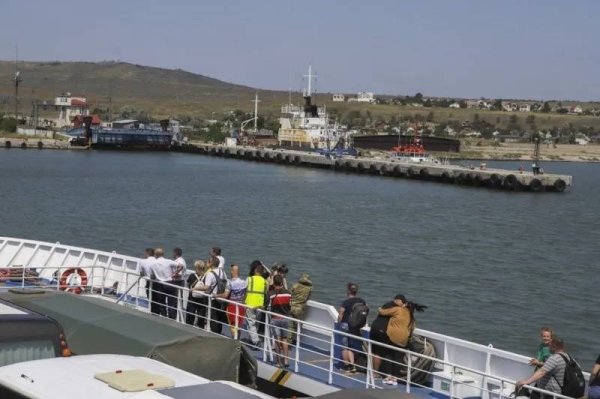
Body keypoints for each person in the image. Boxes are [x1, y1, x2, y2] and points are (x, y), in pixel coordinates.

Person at [375, 295, 427, 386]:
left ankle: (388, 376)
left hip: (392, 337)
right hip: (403, 340)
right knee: (398, 359)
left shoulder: (398, 309)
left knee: (388, 356)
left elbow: (383, 312)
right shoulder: (412, 318)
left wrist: (379, 308)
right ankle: (394, 378)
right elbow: (412, 328)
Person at [192, 256, 228, 334]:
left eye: (208, 262)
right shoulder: (223, 272)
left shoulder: (210, 274)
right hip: (220, 297)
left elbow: (206, 287)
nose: (206, 263)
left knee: (212, 317)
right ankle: (218, 332)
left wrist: (194, 289)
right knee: (218, 317)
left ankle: (213, 332)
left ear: (211, 263)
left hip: (213, 298)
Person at [337, 283, 367, 372]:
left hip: (345, 325)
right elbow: (366, 310)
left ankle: (346, 366)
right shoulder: (362, 301)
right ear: (356, 291)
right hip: (354, 326)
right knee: (350, 346)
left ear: (348, 291)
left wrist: (339, 323)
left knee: (344, 347)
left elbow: (340, 314)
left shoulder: (346, 302)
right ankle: (353, 365)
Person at [267, 275, 292, 368]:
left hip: (275, 318)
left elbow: (267, 305)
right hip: (285, 318)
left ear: (273, 283)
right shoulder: (288, 293)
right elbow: (290, 305)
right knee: (284, 339)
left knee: (277, 339)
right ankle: (286, 359)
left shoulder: (271, 293)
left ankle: (278, 362)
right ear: (282, 282)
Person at [243, 262, 268, 348]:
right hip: (260, 305)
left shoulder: (249, 279)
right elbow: (265, 293)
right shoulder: (265, 282)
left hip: (250, 304)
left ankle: (255, 341)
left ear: (255, 270)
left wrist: (243, 302)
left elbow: (245, 291)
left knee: (251, 323)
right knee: (256, 323)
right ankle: (252, 339)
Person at [150, 248, 177, 317]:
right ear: (163, 254)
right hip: (170, 283)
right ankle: (172, 318)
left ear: (156, 255)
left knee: (161, 303)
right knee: (171, 303)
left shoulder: (153, 264)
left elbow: (152, 276)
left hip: (160, 284)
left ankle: (164, 317)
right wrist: (175, 274)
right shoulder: (168, 261)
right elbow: (180, 266)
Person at [287, 273, 313, 345]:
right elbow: (307, 298)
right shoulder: (309, 288)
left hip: (291, 307)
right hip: (300, 309)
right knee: (297, 325)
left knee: (290, 325)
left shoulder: (295, 285)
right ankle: (294, 340)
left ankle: (289, 340)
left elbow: (289, 293)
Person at [226, 264, 247, 339]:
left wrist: (217, 295)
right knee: (239, 326)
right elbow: (245, 294)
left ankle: (233, 340)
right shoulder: (244, 282)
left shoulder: (230, 283)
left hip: (232, 306)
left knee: (233, 325)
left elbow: (225, 295)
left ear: (232, 271)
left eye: (231, 270)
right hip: (241, 306)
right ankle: (237, 339)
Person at [185, 260, 207, 327]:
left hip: (192, 298)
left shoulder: (192, 276)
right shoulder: (206, 277)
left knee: (190, 315)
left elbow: (188, 284)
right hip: (202, 299)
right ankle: (201, 327)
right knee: (201, 315)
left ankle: (189, 327)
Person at [138, 248, 158, 314]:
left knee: (150, 298)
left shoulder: (143, 261)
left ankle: (152, 312)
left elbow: (141, 273)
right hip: (158, 283)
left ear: (146, 254)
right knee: (157, 300)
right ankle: (157, 312)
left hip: (149, 282)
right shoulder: (157, 261)